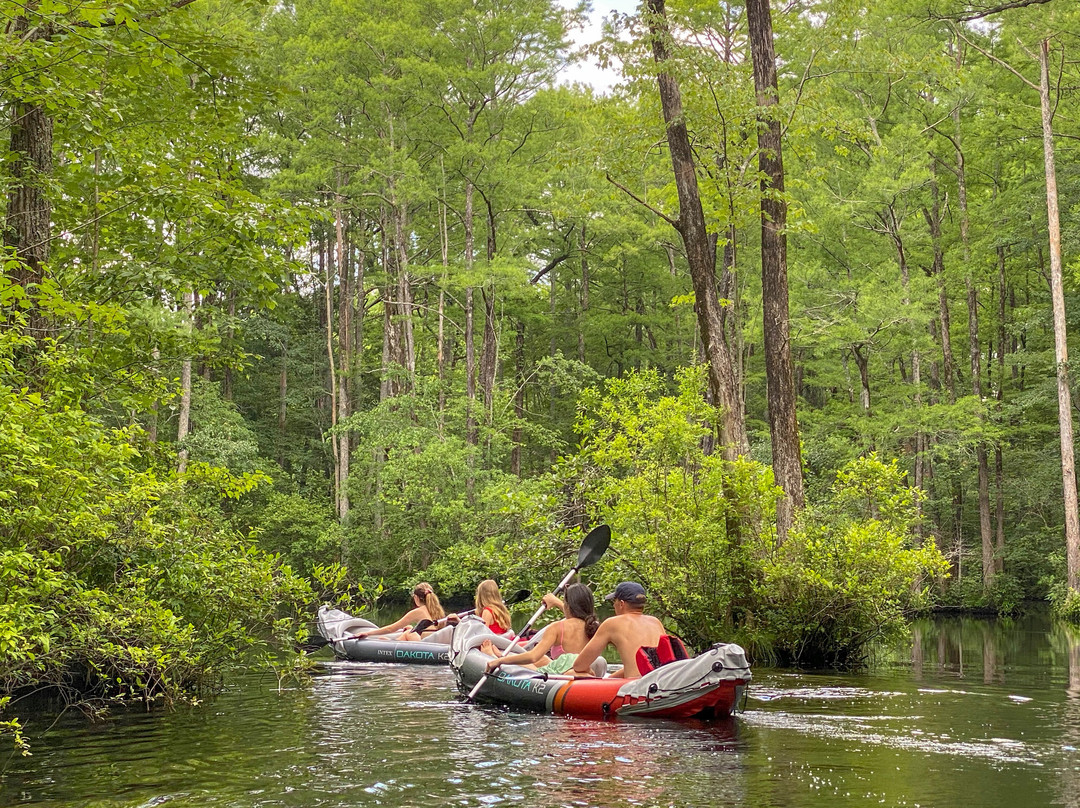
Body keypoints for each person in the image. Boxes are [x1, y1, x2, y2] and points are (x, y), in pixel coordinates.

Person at [481, 584, 599, 675]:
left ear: (567, 605)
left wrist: (501, 661)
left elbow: (533, 656)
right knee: (543, 659)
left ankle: (497, 657)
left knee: (531, 664)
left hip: (561, 675)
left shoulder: (557, 627)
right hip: (573, 668)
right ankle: (500, 656)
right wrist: (557, 602)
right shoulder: (593, 626)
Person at [571, 581, 665, 679]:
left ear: (621, 604)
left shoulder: (612, 623)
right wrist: (609, 678)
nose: (613, 605)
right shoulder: (656, 622)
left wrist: (590, 672)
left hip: (636, 689)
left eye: (614, 601)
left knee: (573, 673)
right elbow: (644, 666)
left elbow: (579, 666)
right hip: (662, 685)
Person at [349, 582, 445, 640]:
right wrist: (413, 629)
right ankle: (394, 641)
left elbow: (392, 628)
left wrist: (368, 633)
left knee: (407, 633)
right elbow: (427, 627)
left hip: (425, 643)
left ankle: (390, 643)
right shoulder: (438, 610)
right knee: (409, 629)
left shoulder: (419, 611)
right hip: (432, 640)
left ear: (416, 598)